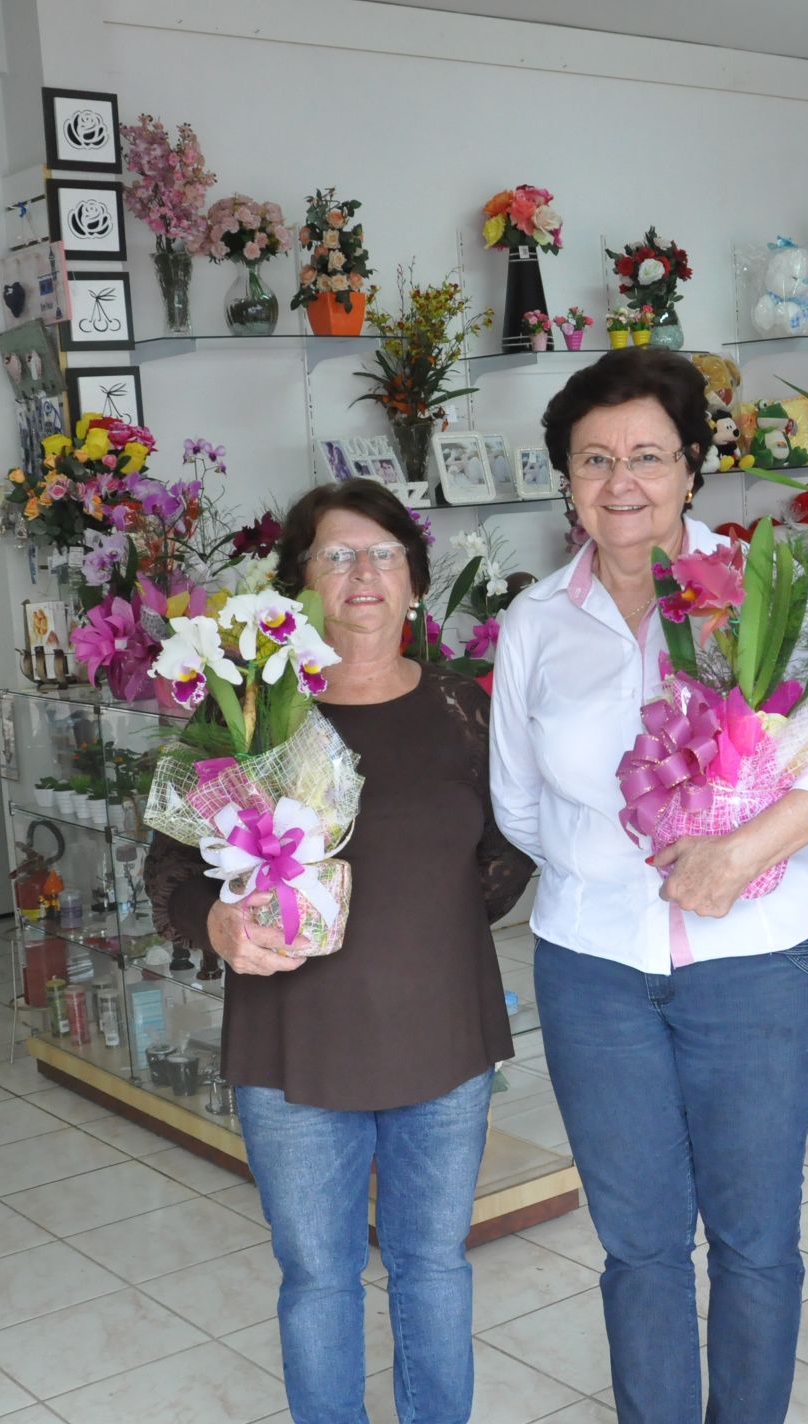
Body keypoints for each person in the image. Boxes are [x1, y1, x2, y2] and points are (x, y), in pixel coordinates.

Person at [489, 348, 808, 1423]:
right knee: (637, 1247)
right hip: (595, 974)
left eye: (645, 454)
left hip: (755, 970)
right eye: (593, 458)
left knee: (754, 1241)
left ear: (689, 469)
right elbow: (519, 803)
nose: (619, 480)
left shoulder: (764, 588)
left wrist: (742, 849)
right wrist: (605, 875)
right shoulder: (537, 621)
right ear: (565, 477)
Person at [146, 478, 532, 1424]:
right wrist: (222, 925)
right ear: (300, 587)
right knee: (317, 1276)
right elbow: (168, 870)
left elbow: (510, 851)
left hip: (443, 1038)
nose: (365, 573)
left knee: (432, 1266)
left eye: (385, 554)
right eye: (338, 555)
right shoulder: (246, 714)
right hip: (293, 1045)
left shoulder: (466, 708)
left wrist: (421, 931)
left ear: (414, 582)